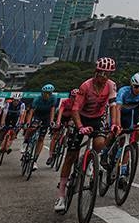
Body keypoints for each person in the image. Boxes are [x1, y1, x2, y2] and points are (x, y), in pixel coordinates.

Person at [54, 57, 120, 213]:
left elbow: (114, 106)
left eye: (108, 74)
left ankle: (90, 160)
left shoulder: (110, 86)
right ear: (96, 72)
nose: (104, 77)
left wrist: (115, 124)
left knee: (99, 143)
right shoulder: (86, 86)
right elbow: (75, 109)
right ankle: (61, 194)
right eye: (102, 73)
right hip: (82, 117)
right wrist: (80, 127)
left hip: (97, 118)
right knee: (71, 155)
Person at [24, 84, 57, 170]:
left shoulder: (53, 98)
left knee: (41, 138)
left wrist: (52, 121)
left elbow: (52, 110)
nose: (47, 95)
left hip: (46, 116)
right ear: (42, 93)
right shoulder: (37, 98)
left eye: (49, 93)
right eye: (46, 93)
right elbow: (31, 112)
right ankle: (25, 142)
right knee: (32, 128)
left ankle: (34, 160)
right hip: (37, 115)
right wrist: (28, 122)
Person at [116, 72, 139, 142]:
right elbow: (117, 109)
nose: (138, 89)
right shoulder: (123, 91)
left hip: (132, 113)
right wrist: (118, 125)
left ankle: (131, 145)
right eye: (136, 86)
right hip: (121, 113)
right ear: (131, 85)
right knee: (114, 134)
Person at [47, 88, 79, 165]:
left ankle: (65, 139)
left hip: (71, 118)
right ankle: (50, 156)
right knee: (55, 136)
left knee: (71, 129)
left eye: (76, 97)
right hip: (61, 116)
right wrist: (58, 122)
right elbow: (60, 111)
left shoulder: (78, 104)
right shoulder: (65, 102)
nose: (74, 99)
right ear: (70, 96)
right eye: (73, 97)